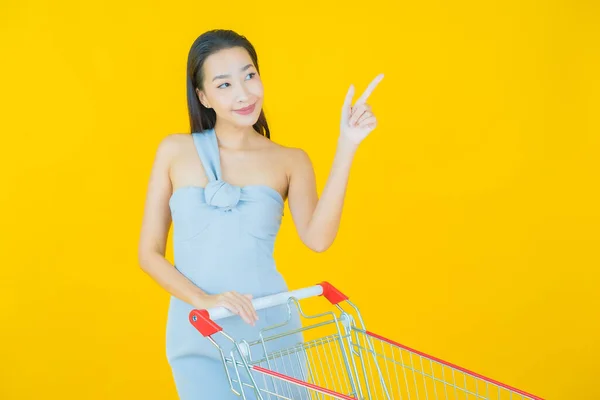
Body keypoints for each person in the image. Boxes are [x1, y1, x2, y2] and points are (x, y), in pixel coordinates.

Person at [137, 29, 383, 399]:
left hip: (270, 328)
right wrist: (204, 301)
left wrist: (347, 144)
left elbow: (318, 239)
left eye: (249, 75)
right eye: (224, 84)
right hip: (197, 332)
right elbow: (148, 254)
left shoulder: (290, 160)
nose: (243, 93)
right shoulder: (174, 151)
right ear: (202, 96)